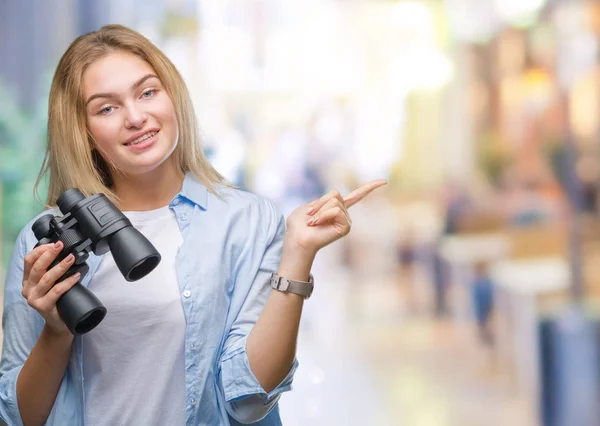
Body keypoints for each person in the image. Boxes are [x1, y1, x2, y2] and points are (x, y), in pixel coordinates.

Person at [0, 25, 385, 426]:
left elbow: (250, 401)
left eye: (148, 92)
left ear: (173, 96)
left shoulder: (247, 222)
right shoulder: (43, 242)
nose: (136, 117)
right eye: (106, 108)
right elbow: (19, 417)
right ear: (84, 130)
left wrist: (298, 254)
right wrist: (56, 332)